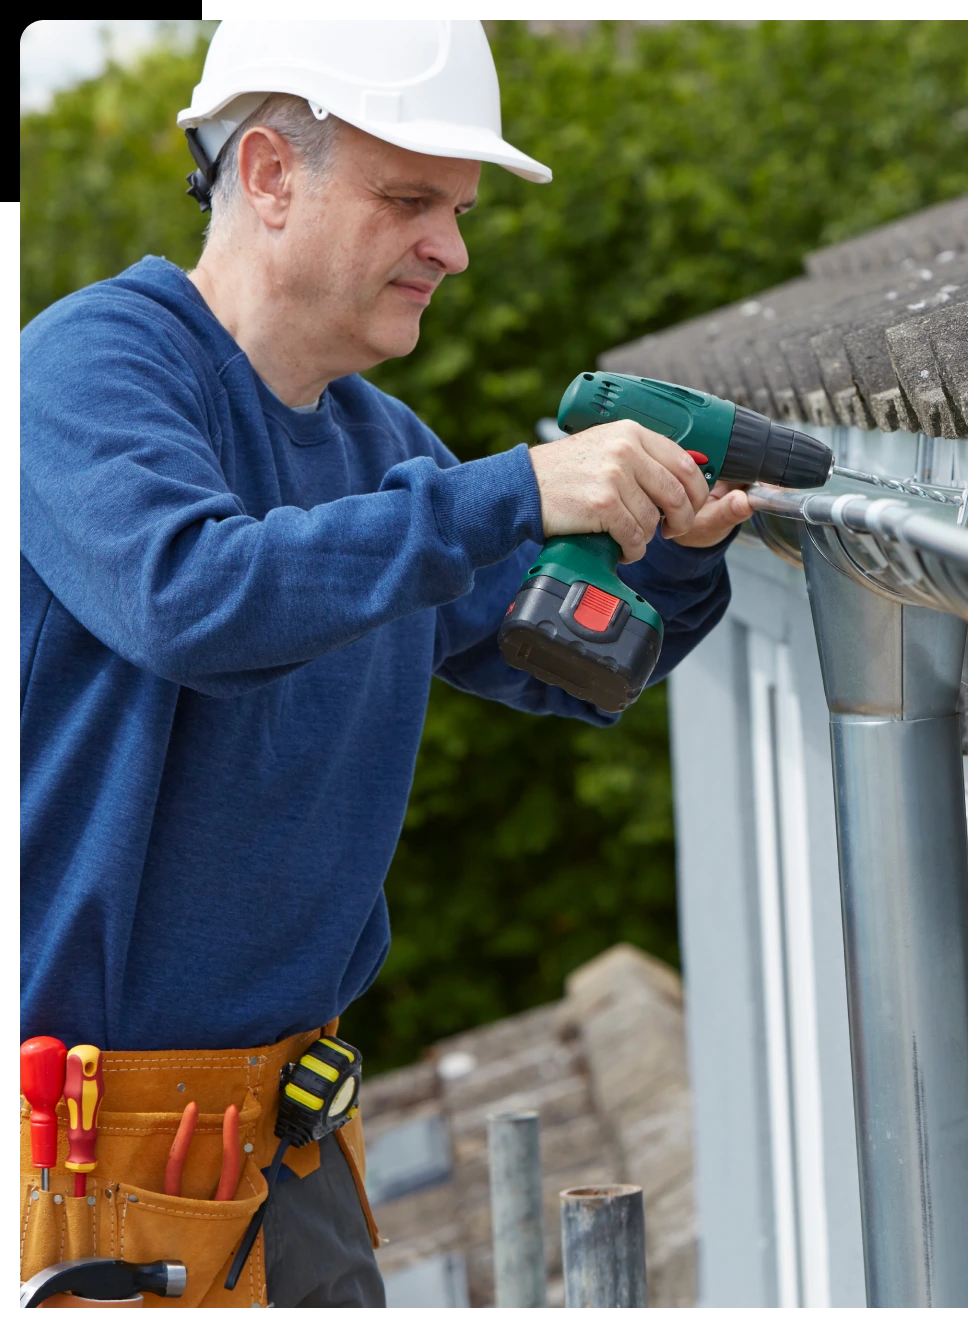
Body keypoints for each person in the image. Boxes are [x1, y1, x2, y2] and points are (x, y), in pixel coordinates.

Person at [18, 18, 756, 1310]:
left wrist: (675, 553)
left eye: (458, 209)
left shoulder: (377, 442)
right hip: (83, 1147)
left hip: (291, 1130)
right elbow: (195, 596)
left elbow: (569, 666)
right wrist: (515, 488)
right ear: (264, 173)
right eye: (410, 199)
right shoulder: (90, 371)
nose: (451, 249)